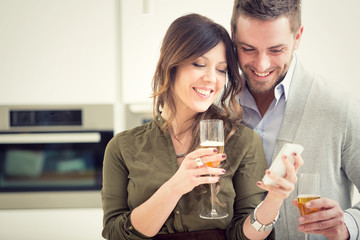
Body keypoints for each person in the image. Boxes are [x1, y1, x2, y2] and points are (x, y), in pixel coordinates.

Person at [101, 13, 302, 240]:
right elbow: (115, 233)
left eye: (221, 70)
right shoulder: (122, 147)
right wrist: (175, 186)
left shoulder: (241, 141)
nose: (211, 79)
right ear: (171, 65)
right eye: (199, 64)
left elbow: (243, 236)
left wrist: (274, 200)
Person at [231, 0, 360, 239]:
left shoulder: (341, 107)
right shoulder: (215, 108)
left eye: (276, 50)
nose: (261, 65)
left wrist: (349, 224)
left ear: (298, 37)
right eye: (248, 48)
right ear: (233, 36)